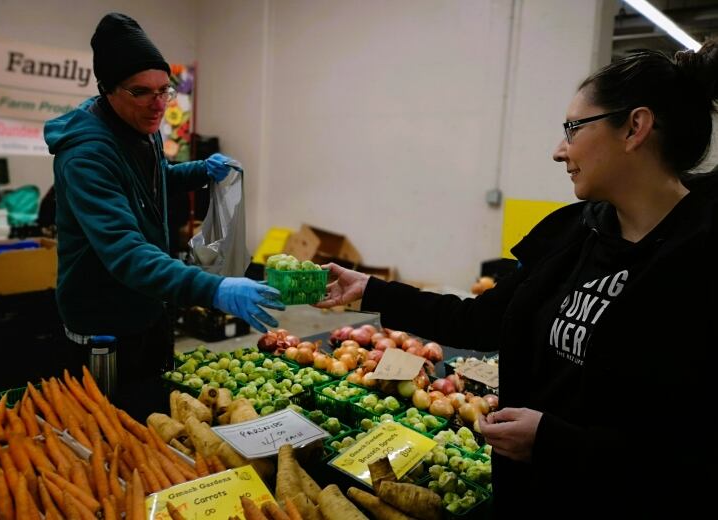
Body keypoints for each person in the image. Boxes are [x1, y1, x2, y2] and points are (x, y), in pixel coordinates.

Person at [316, 42, 718, 517]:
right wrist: (369, 290)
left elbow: (691, 446)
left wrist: (557, 442)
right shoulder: (574, 233)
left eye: (573, 128)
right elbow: (480, 320)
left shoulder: (699, 264)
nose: (558, 150)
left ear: (634, 127)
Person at [44, 13, 284, 420]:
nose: (159, 105)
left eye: (165, 90)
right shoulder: (86, 155)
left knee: (157, 418)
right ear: (107, 90)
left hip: (150, 309)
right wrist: (214, 289)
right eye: (142, 92)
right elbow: (127, 253)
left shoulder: (144, 126)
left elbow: (151, 182)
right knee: (115, 433)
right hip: (106, 326)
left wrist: (199, 170)